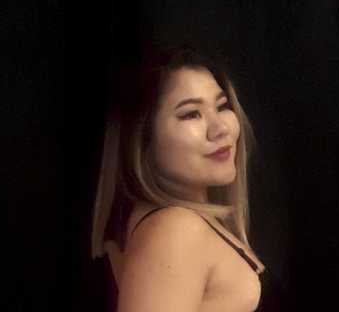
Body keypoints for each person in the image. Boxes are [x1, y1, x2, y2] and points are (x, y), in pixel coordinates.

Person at [90, 43, 269, 311]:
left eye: (222, 106)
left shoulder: (180, 224)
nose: (221, 128)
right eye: (191, 114)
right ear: (143, 141)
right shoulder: (175, 230)